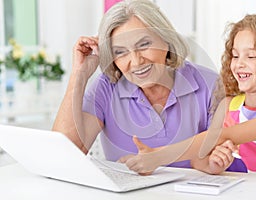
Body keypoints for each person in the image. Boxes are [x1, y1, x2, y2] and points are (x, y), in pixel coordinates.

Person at [52, 0, 229, 171]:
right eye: (120, 52)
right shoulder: (106, 87)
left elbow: (218, 155)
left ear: (166, 40)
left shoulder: (210, 84)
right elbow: (63, 155)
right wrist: (79, 75)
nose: (136, 62)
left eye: (144, 44)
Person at [119, 13, 256, 176]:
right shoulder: (229, 105)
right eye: (235, 56)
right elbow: (199, 159)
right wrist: (213, 163)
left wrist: (158, 155)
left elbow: (220, 136)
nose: (239, 64)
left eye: (251, 56)